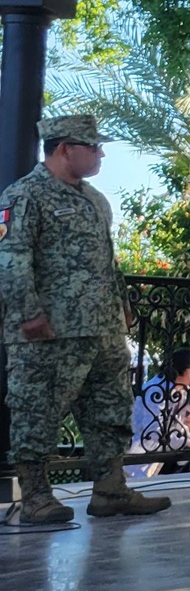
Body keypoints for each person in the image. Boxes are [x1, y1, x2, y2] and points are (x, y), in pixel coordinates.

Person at [0, 115, 170, 525]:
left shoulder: (95, 199)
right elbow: (10, 259)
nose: (101, 154)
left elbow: (107, 261)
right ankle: (36, 498)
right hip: (48, 331)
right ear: (64, 149)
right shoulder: (24, 195)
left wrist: (123, 304)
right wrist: (28, 313)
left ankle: (110, 491)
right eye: (93, 147)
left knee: (110, 409)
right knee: (36, 411)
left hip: (103, 330)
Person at [130, 346, 190, 481]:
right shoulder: (155, 390)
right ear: (182, 370)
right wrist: (188, 442)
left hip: (161, 455)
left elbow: (177, 426)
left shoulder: (180, 390)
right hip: (141, 458)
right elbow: (154, 431)